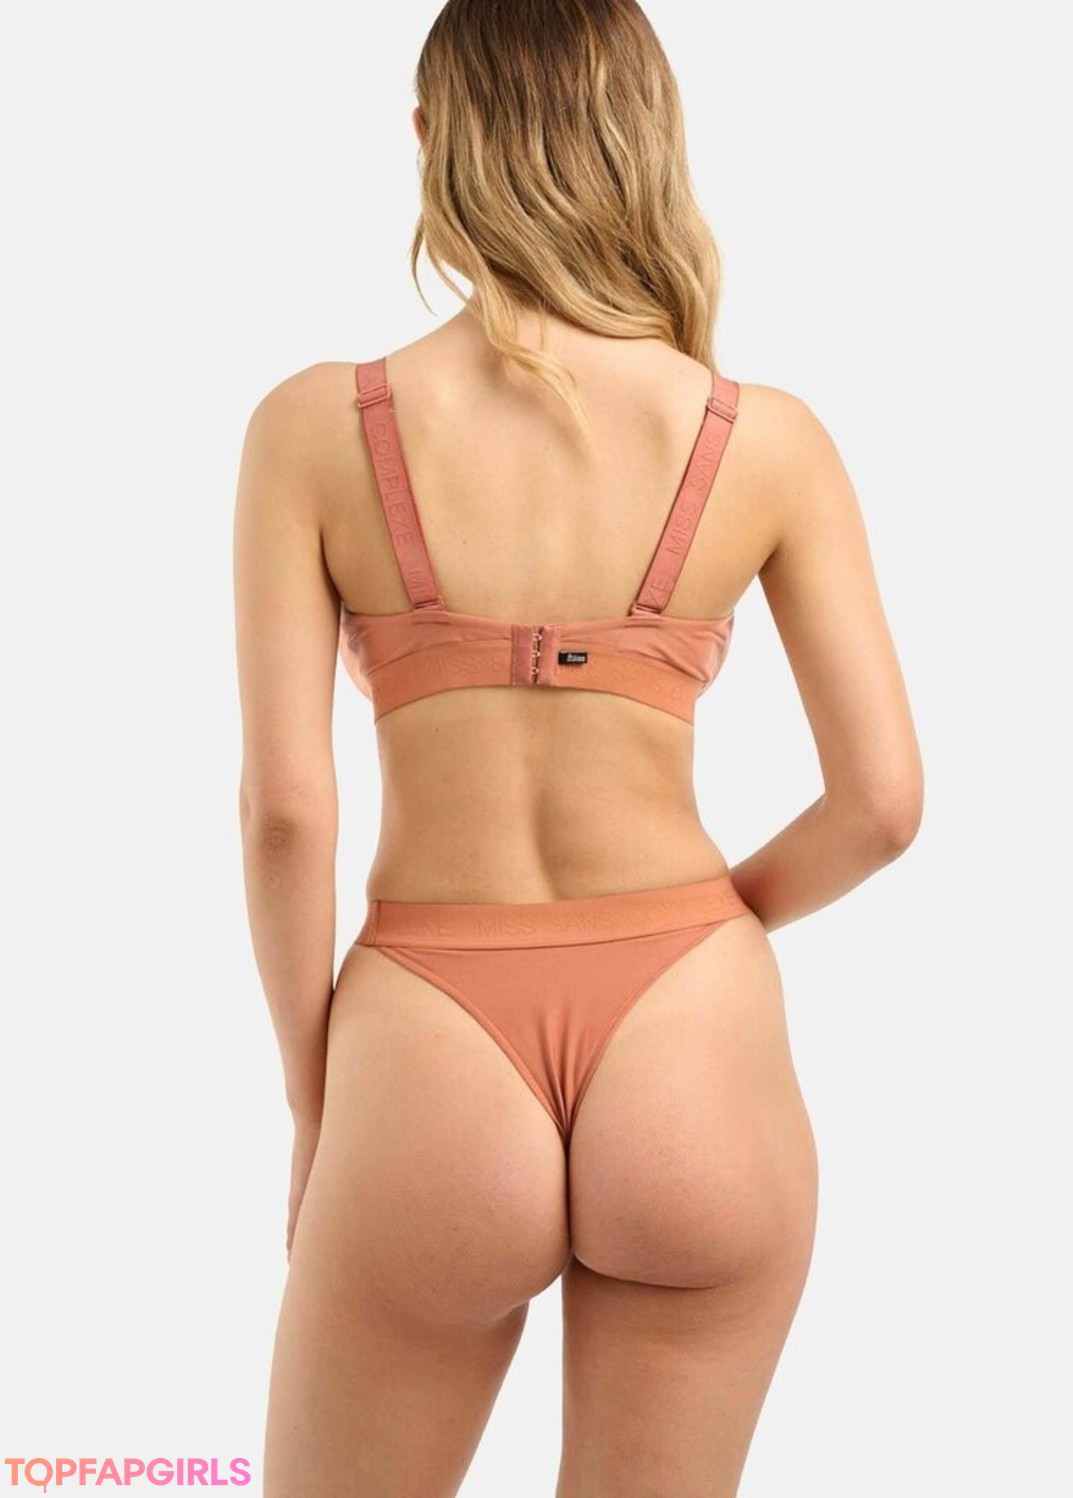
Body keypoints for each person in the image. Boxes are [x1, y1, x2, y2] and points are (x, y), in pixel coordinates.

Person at [233, 0, 923, 1491]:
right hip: (693, 1014)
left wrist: (312, 1099)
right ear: (644, 135)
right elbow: (882, 802)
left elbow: (288, 810)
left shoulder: (316, 427)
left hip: (429, 1028)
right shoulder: (764, 438)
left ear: (434, 140)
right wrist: (714, 919)